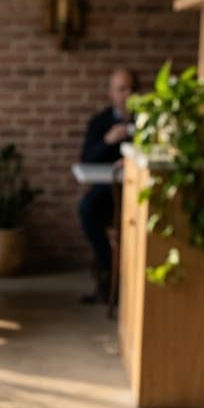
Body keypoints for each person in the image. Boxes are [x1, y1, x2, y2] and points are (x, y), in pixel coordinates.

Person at [78, 67, 138, 303]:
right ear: (111, 93)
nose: (127, 94)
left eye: (131, 88)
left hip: (137, 191)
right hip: (108, 194)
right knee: (87, 208)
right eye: (121, 89)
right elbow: (86, 160)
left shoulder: (147, 120)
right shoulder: (100, 122)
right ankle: (109, 269)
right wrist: (107, 141)